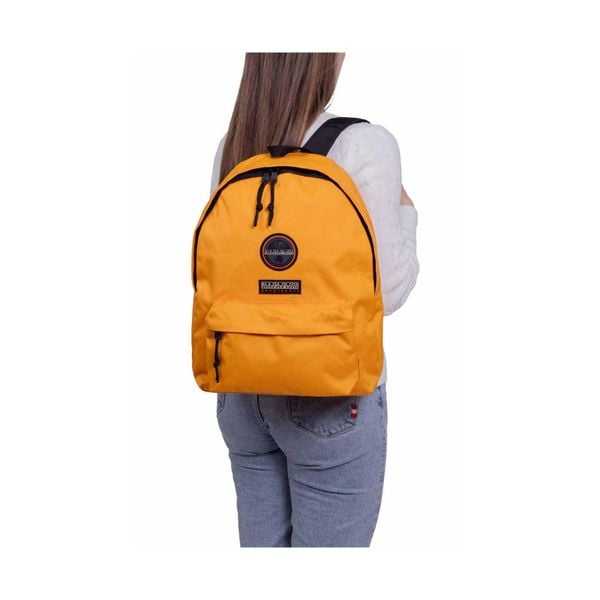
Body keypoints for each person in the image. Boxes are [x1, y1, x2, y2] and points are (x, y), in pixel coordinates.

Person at [209, 52, 419, 547]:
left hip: (241, 390)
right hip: (331, 396)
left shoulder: (234, 144)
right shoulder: (363, 144)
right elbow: (389, 293)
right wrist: (407, 212)